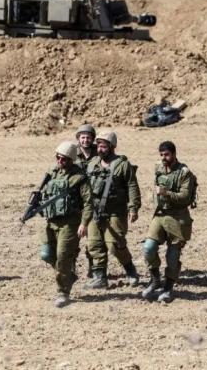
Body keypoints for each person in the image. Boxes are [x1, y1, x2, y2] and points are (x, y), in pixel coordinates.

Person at [79, 131, 141, 289]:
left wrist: (133, 208)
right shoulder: (93, 163)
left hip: (115, 212)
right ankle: (100, 277)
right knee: (94, 244)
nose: (100, 149)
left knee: (115, 244)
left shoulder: (122, 165)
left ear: (112, 147)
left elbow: (132, 186)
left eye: (104, 146)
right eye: (99, 146)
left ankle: (131, 271)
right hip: (95, 211)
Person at [38, 141, 93, 307]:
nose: (59, 161)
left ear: (71, 160)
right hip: (51, 222)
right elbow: (42, 195)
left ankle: (63, 292)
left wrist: (84, 224)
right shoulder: (51, 173)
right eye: (58, 157)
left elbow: (88, 203)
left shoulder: (79, 177)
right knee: (46, 254)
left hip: (70, 223)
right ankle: (68, 275)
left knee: (63, 257)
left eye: (63, 159)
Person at [141, 141, 196, 303]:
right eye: (161, 155)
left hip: (177, 217)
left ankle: (168, 287)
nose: (163, 158)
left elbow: (185, 198)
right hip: (160, 215)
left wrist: (166, 193)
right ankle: (155, 279)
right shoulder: (158, 168)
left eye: (166, 155)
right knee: (148, 248)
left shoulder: (184, 173)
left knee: (172, 256)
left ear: (174, 154)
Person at [74, 124, 97, 278]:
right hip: (77, 201)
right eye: (83, 137)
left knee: (93, 240)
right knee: (72, 239)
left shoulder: (99, 153)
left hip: (94, 200)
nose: (85, 140)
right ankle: (71, 268)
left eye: (88, 137)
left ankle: (93, 267)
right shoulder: (72, 153)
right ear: (78, 138)